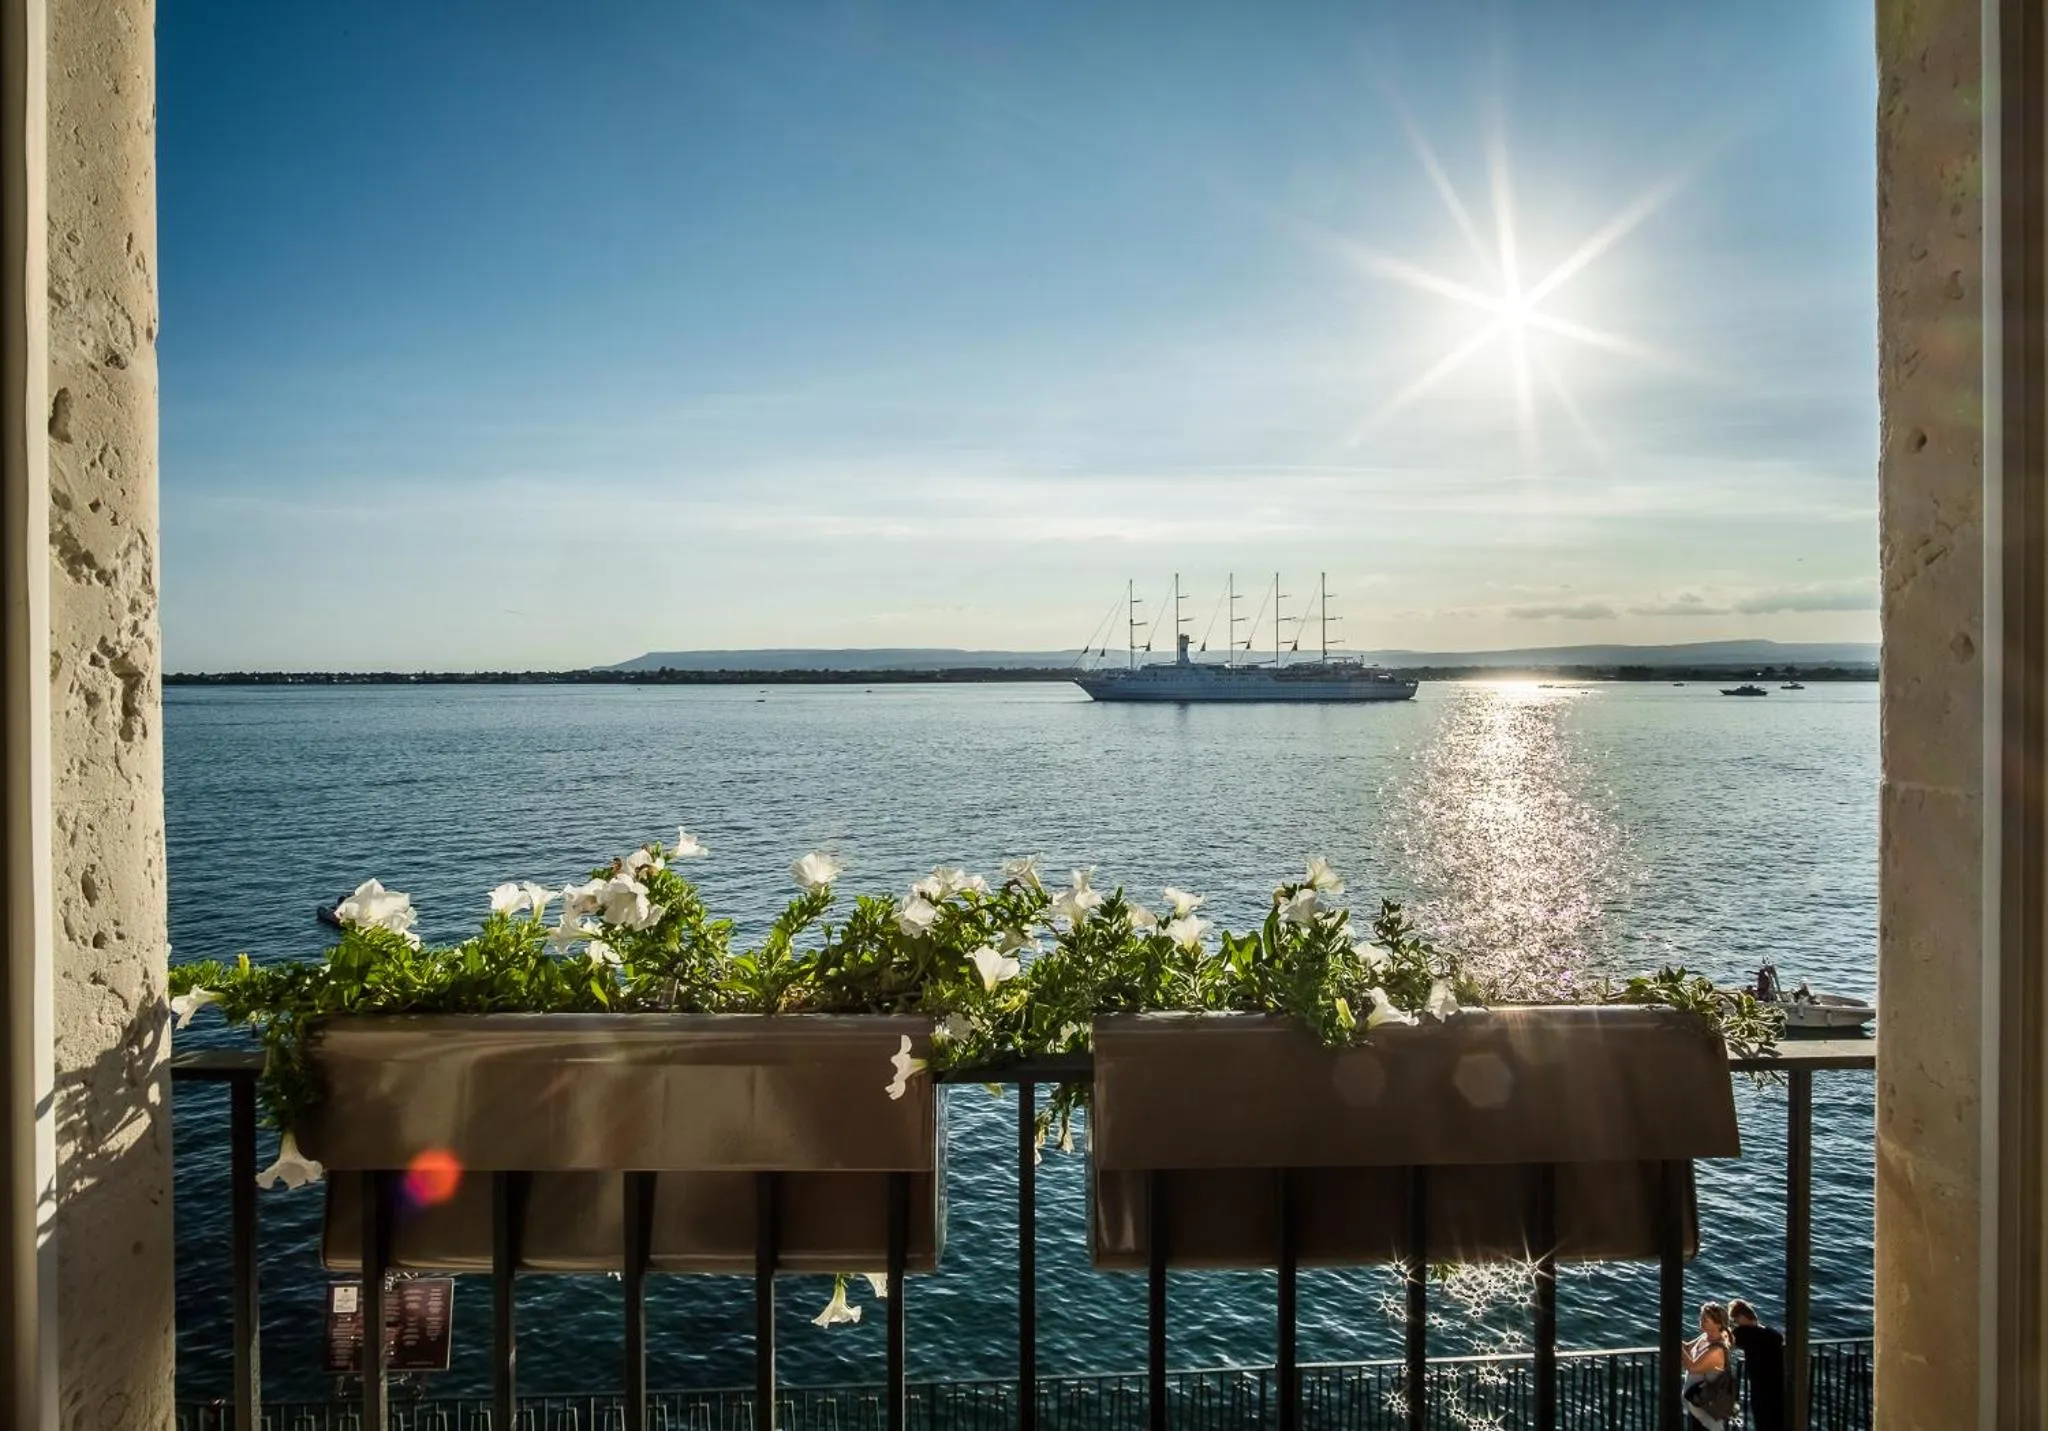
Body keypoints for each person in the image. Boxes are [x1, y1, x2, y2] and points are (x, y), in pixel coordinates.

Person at [1729, 1298, 1787, 1431]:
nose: (1735, 1322)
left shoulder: (1744, 1334)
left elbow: (1728, 1340)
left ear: (1742, 1317)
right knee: (1778, 1420)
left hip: (1760, 1385)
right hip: (1777, 1383)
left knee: (1763, 1420)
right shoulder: (1771, 1334)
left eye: (1735, 1319)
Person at [1681, 1302, 1739, 1429]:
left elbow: (1693, 1367)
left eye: (1705, 1319)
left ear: (1718, 1324)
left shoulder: (1717, 1350)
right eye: (1701, 1317)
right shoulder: (1705, 1337)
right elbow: (1687, 1347)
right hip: (1696, 1407)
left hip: (1707, 1414)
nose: (1700, 1320)